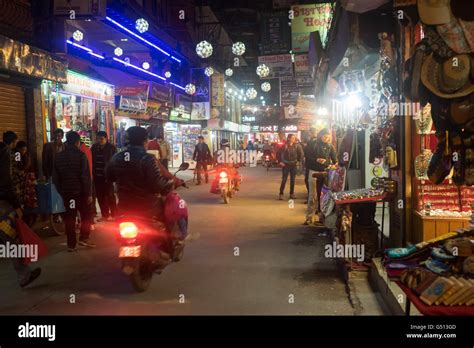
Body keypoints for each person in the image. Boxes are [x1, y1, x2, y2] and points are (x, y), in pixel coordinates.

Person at [0, 131, 41, 287]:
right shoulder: (9, 154)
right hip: (5, 202)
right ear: (14, 143)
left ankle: (24, 273)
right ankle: (24, 274)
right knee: (10, 239)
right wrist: (17, 205)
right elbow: (11, 177)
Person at [105, 126, 174, 219]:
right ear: (144, 141)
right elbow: (157, 183)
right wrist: (169, 184)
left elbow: (109, 176)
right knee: (168, 220)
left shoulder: (116, 157)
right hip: (147, 208)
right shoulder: (147, 158)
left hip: (123, 207)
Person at [54, 131, 94, 251]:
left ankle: (71, 245)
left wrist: (62, 191)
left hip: (68, 193)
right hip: (80, 193)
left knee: (70, 218)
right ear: (77, 142)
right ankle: (83, 238)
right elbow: (85, 176)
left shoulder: (59, 156)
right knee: (87, 215)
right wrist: (88, 193)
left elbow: (56, 177)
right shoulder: (81, 155)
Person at [304, 128, 338, 225]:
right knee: (313, 195)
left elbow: (335, 160)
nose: (326, 138)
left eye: (328, 137)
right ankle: (309, 217)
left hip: (325, 173)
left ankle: (322, 217)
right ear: (320, 136)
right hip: (313, 172)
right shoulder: (312, 144)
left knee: (324, 195)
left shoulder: (330, 146)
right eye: (324, 136)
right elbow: (308, 158)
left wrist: (333, 165)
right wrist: (316, 160)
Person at [91, 131, 117, 222]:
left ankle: (114, 214)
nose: (99, 141)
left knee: (110, 195)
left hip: (107, 177)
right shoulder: (94, 148)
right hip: (97, 177)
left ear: (106, 138)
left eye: (101, 139)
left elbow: (115, 162)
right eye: (98, 139)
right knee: (100, 196)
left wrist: (113, 174)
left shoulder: (111, 148)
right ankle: (105, 215)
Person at [278, 134, 304, 200]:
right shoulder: (284, 146)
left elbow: (301, 155)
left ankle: (291, 193)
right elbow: (278, 153)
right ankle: (281, 194)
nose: (293, 139)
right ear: (288, 138)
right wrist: (280, 161)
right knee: (284, 179)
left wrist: (299, 162)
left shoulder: (298, 146)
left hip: (294, 165)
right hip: (285, 165)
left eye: (294, 138)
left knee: (293, 180)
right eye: (292, 138)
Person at [304, 128, 319, 198]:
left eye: (310, 133)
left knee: (309, 181)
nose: (309, 134)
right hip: (309, 164)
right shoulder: (310, 141)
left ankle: (311, 197)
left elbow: (309, 153)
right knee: (308, 181)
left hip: (312, 165)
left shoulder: (314, 142)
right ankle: (310, 196)